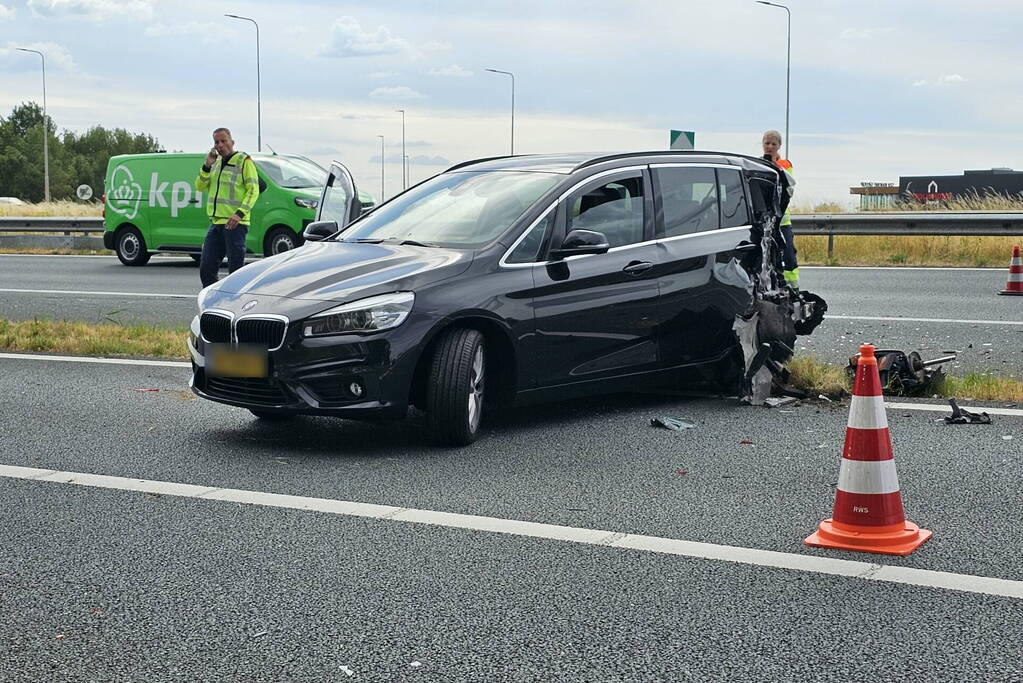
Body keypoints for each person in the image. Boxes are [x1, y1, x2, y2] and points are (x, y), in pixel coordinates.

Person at [195, 127, 260, 287]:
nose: (220, 145)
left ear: (232, 142)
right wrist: (206, 166)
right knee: (206, 268)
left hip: (235, 224)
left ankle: (236, 303)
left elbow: (253, 190)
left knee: (236, 271)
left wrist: (239, 213)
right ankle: (213, 302)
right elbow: (200, 186)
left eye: (223, 141)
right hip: (216, 223)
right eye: (216, 142)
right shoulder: (215, 164)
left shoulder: (243, 161)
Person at [761, 129, 799, 291]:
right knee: (767, 258)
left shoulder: (785, 165)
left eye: (773, 144)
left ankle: (793, 287)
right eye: (767, 143)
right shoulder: (757, 163)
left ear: (779, 146)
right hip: (764, 221)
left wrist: (773, 163)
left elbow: (787, 185)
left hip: (782, 221)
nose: (769, 147)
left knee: (788, 256)